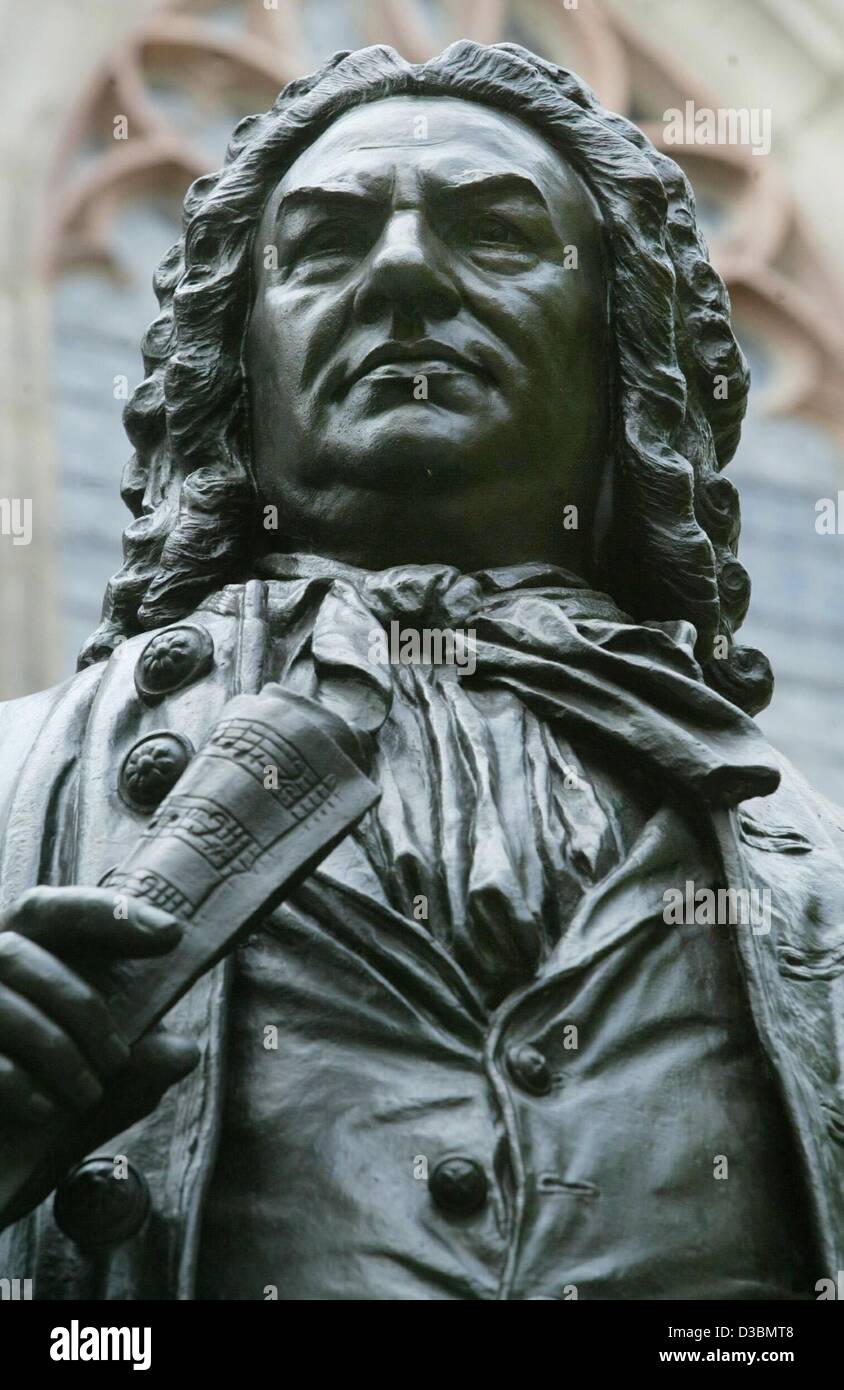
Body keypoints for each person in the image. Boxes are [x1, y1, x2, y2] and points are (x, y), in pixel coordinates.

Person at [0, 41, 841, 1300]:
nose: (399, 271)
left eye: (497, 235)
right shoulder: (11, 785)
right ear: (233, 367)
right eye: (327, 244)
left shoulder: (816, 876)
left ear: (627, 355)